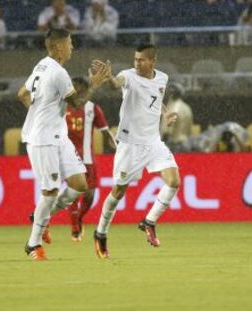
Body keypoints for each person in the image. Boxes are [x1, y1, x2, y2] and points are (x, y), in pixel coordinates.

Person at [17, 28, 110, 261]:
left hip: (59, 136)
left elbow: (22, 94)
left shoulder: (41, 65)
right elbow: (77, 102)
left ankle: (43, 218)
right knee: (50, 191)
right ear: (59, 47)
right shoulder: (58, 72)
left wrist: (38, 111)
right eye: (69, 44)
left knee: (80, 184)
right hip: (43, 139)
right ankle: (33, 245)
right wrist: (95, 83)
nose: (72, 48)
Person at [92, 44, 181, 259]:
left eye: (141, 60)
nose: (137, 63)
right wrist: (110, 78)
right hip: (130, 143)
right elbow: (116, 83)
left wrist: (166, 114)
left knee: (174, 181)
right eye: (135, 59)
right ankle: (101, 232)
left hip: (152, 142)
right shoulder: (128, 76)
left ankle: (149, 221)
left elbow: (156, 98)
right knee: (118, 191)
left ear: (153, 61)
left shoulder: (162, 78)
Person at [65, 76, 116, 241]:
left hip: (87, 158)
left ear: (84, 88)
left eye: (77, 86)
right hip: (68, 156)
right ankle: (74, 226)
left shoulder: (92, 108)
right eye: (72, 86)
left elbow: (104, 130)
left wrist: (112, 142)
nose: (74, 89)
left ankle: (79, 217)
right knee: (73, 191)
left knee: (89, 195)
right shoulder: (62, 107)